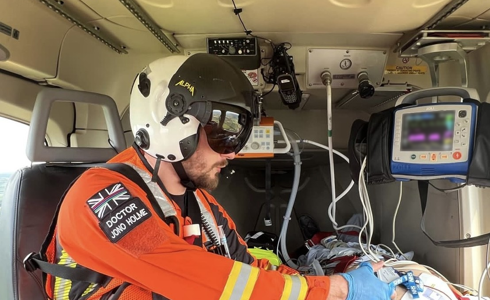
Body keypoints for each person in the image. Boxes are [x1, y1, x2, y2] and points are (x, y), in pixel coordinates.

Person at [43, 53, 396, 299]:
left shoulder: (201, 203)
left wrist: (329, 282)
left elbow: (248, 269)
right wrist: (338, 291)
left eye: (238, 135)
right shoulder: (100, 195)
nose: (234, 153)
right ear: (169, 124)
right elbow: (201, 283)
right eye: (224, 135)